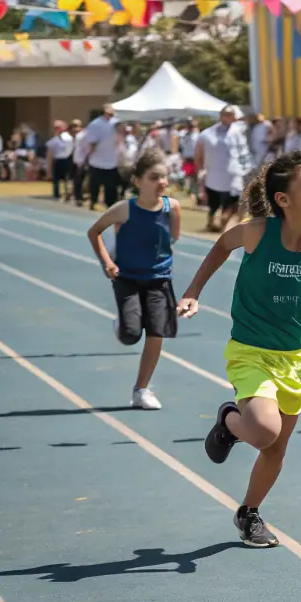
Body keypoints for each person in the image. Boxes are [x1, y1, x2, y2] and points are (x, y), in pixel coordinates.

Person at [178, 151, 301, 548]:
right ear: (283, 199)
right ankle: (229, 421)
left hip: (294, 359)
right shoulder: (256, 231)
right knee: (262, 431)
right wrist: (192, 292)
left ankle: (249, 513)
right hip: (250, 352)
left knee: (275, 448)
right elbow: (221, 247)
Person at [86, 149, 181, 410]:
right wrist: (107, 261)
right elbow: (94, 232)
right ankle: (123, 324)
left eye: (164, 177)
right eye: (154, 177)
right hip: (127, 277)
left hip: (159, 279)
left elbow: (173, 238)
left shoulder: (172, 208)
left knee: (156, 331)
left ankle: (141, 389)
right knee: (130, 335)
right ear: (138, 181)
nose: (162, 182)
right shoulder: (123, 210)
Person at [197, 106, 250, 232]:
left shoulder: (240, 132)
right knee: (213, 205)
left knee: (231, 204)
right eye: (226, 114)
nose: (229, 117)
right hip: (213, 176)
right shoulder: (207, 134)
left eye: (231, 115)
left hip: (233, 177)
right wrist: (199, 170)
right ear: (221, 116)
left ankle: (224, 224)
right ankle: (212, 223)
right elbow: (199, 154)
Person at [83, 104, 122, 210]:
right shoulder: (95, 124)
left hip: (112, 160)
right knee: (95, 184)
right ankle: (93, 202)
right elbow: (91, 141)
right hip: (97, 160)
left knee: (111, 186)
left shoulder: (117, 122)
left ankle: (110, 204)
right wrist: (89, 154)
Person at [46, 120, 74, 201]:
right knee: (56, 179)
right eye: (55, 128)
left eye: (58, 127)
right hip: (57, 160)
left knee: (67, 178)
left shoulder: (70, 139)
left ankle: (68, 194)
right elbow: (50, 154)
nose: (57, 129)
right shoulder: (53, 140)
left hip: (67, 160)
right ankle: (56, 194)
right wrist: (49, 169)